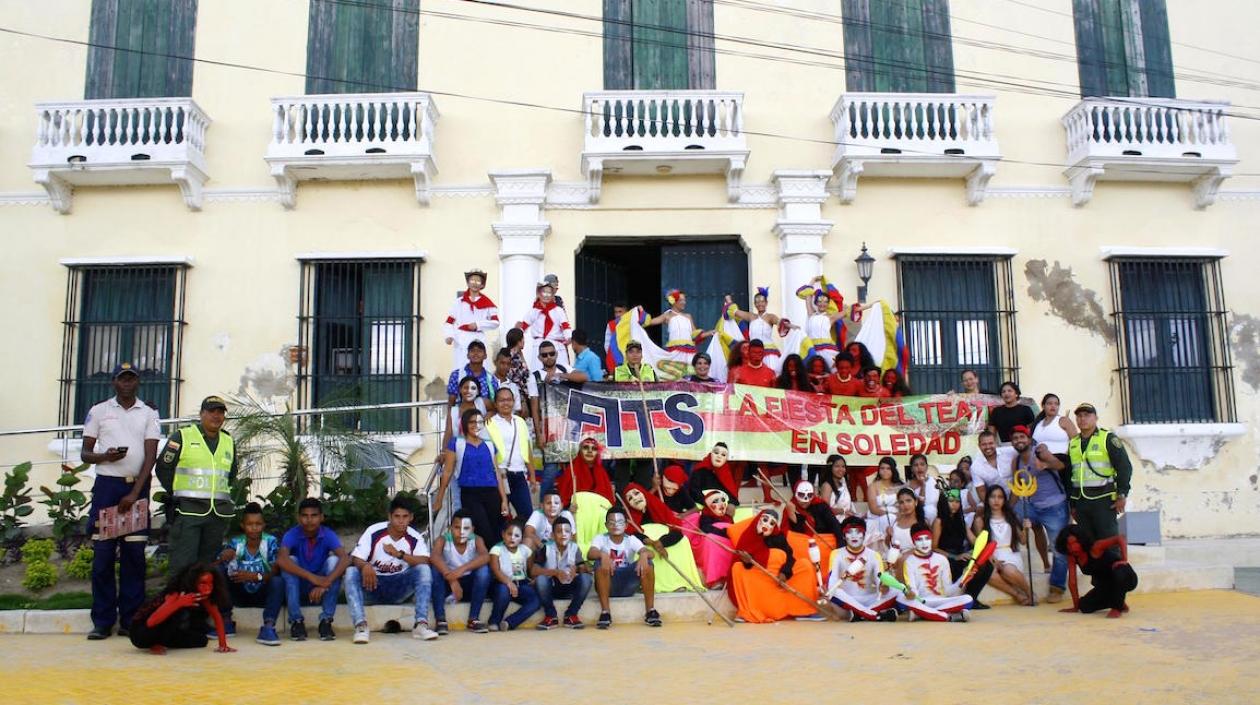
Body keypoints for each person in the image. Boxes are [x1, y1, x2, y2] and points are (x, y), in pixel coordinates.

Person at [81, 362, 161, 641]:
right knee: (102, 558)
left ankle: (130, 619)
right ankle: (102, 621)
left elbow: (150, 457)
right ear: (114, 382)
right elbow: (85, 453)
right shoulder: (100, 411)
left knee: (134, 557)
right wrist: (105, 456)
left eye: (132, 379)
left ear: (137, 383)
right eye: (122, 379)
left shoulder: (149, 413)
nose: (127, 383)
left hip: (135, 487)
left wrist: (134, 493)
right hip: (106, 488)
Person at [155, 395, 237, 578]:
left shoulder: (228, 441)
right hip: (188, 513)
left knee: (207, 569)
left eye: (220, 412)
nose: (216, 416)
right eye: (211, 411)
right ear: (201, 414)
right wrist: (175, 493)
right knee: (183, 567)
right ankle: (180, 604)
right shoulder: (182, 436)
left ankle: (201, 605)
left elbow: (231, 474)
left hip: (217, 515)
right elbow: (163, 467)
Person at [345, 496, 438, 644]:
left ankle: (421, 624)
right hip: (372, 586)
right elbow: (356, 558)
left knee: (423, 570)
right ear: (389, 517)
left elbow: (425, 560)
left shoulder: (413, 537)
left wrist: (399, 554)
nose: (401, 521)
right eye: (397, 516)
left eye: (405, 516)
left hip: (399, 588)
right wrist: (365, 565)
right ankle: (361, 626)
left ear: (411, 518)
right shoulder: (374, 532)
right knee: (351, 572)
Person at [1010, 425, 1069, 603]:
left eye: (1022, 437)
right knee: (1015, 518)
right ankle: (1043, 563)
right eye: (1015, 438)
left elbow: (1060, 465)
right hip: (1032, 505)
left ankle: (1057, 587)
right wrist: (1007, 509)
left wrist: (1045, 464)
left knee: (1059, 548)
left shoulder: (1041, 451)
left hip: (1054, 506)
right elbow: (1016, 488)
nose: (1019, 441)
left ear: (1029, 439)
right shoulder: (1016, 461)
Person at [277, 498, 350, 641]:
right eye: (305, 516)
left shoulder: (327, 534)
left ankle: (326, 621)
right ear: (299, 518)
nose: (309, 520)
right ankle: (296, 621)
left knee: (334, 561)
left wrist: (325, 582)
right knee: (290, 561)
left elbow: (345, 558)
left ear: (321, 517)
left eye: (314, 515)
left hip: (322, 589)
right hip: (300, 587)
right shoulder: (292, 534)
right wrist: (312, 578)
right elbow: (281, 559)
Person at [730, 509, 820, 623]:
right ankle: (748, 611)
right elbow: (741, 562)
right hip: (758, 584)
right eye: (765, 519)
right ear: (758, 519)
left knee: (805, 565)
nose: (767, 524)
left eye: (772, 523)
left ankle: (803, 610)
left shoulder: (778, 537)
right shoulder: (748, 536)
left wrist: (784, 573)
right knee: (737, 567)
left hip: (780, 582)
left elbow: (790, 558)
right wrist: (747, 561)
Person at [433, 409, 509, 543]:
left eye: (479, 422)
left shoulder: (489, 444)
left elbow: (497, 473)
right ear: (465, 424)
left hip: (492, 493)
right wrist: (439, 498)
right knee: (483, 531)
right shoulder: (456, 443)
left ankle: (494, 562)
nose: (476, 425)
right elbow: (448, 472)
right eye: (472, 422)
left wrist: (503, 500)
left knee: (496, 531)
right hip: (471, 494)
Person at [214, 502, 283, 646]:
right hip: (239, 593)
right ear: (242, 525)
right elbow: (217, 568)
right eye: (250, 524)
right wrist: (223, 558)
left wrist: (254, 576)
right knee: (218, 571)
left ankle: (268, 628)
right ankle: (226, 622)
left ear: (263, 525)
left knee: (277, 581)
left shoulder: (270, 542)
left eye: (258, 524)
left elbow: (275, 570)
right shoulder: (235, 542)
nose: (254, 527)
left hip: (262, 593)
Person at [129, 562, 234, 654]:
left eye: (211, 584)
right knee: (173, 616)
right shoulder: (175, 593)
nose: (208, 588)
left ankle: (163, 641)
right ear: (193, 582)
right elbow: (151, 622)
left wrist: (223, 645)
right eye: (203, 583)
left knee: (201, 640)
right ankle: (155, 643)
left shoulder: (205, 596)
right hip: (141, 632)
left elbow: (217, 617)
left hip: (169, 631)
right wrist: (179, 603)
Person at [529, 340, 590, 495]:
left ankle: (568, 500)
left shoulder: (564, 369)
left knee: (573, 466)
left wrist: (561, 375)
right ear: (539, 358)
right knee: (550, 468)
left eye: (551, 353)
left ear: (556, 354)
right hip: (549, 427)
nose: (548, 357)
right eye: (544, 355)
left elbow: (584, 376)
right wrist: (539, 433)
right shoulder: (534, 377)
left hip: (569, 424)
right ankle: (544, 505)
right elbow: (534, 408)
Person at [1068, 402, 1132, 542]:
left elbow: (1124, 467)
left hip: (1103, 499)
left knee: (1108, 542)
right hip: (1081, 501)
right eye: (1079, 416)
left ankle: (1114, 564)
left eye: (1087, 415)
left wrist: (1122, 494)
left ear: (1096, 418)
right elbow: (1072, 474)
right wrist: (1073, 504)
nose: (1082, 419)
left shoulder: (1108, 438)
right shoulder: (1073, 443)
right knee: (1087, 544)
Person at [588, 507, 660, 629]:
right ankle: (605, 613)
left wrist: (643, 554)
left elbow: (650, 553)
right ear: (606, 525)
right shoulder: (601, 539)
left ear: (626, 525)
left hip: (628, 584)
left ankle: (650, 611)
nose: (616, 525)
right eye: (611, 522)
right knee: (599, 564)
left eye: (620, 522)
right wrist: (602, 555)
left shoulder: (631, 539)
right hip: (609, 583)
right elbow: (590, 553)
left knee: (648, 563)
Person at [1031, 393, 1077, 570]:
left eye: (1056, 403)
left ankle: (1067, 539)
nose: (1053, 406)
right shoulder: (1038, 424)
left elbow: (1075, 440)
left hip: (1061, 462)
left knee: (1066, 500)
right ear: (1043, 405)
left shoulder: (1063, 421)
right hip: (1041, 466)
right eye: (1049, 403)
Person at [429, 510, 493, 634]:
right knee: (435, 569)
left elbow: (486, 556)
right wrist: (452, 579)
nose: (461, 532)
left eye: (466, 528)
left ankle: (473, 618)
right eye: (457, 527)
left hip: (469, 585)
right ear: (450, 528)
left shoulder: (477, 540)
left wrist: (460, 571)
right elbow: (434, 557)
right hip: (448, 585)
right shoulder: (442, 540)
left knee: (484, 570)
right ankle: (440, 619)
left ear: (473, 529)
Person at [1057, 525, 1137, 619]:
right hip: (1106, 585)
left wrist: (1124, 559)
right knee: (1084, 606)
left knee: (1118, 571)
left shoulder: (1095, 547)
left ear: (1081, 540)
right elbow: (1072, 582)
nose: (1072, 548)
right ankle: (1117, 600)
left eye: (1075, 543)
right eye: (1068, 545)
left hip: (1126, 577)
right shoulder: (1072, 557)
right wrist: (1075, 607)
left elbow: (1120, 538)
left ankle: (1117, 607)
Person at [826, 516, 897, 622]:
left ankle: (860, 614)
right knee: (834, 592)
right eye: (849, 532)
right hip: (846, 601)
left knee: (897, 590)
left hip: (870, 600)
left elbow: (880, 584)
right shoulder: (836, 554)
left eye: (858, 531)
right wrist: (829, 591)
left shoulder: (874, 555)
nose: (854, 535)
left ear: (864, 535)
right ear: (844, 536)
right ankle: (874, 615)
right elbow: (832, 583)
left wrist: (884, 586)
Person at [898, 523, 973, 622]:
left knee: (968, 599)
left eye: (927, 538)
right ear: (913, 542)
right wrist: (910, 593)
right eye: (919, 540)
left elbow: (948, 591)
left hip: (942, 601)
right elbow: (913, 591)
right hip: (921, 602)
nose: (924, 543)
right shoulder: (909, 562)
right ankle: (950, 616)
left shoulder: (942, 559)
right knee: (900, 598)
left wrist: (963, 579)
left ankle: (922, 614)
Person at [933, 488, 994, 609]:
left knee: (987, 565)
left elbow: (974, 541)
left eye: (957, 501)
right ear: (944, 502)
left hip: (960, 555)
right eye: (950, 501)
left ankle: (972, 598)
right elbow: (933, 548)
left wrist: (984, 553)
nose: (954, 504)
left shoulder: (961, 521)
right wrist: (955, 557)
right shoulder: (938, 521)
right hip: (945, 557)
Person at [973, 485, 1033, 605]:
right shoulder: (980, 520)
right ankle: (1017, 595)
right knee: (988, 574)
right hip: (991, 555)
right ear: (987, 499)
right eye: (993, 497)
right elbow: (980, 545)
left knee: (1008, 570)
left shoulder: (1011, 517)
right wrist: (991, 558)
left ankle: (1030, 593)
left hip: (1010, 554)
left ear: (1004, 500)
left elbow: (1023, 541)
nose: (996, 500)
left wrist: (1026, 529)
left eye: (1000, 497)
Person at [532, 515, 592, 629]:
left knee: (586, 579)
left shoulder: (575, 548)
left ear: (571, 534)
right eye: (559, 531)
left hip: (570, 586)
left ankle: (571, 614)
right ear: (552, 535)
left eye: (567, 531)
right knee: (540, 580)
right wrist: (555, 572)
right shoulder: (546, 548)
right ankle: (551, 616)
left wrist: (577, 569)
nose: (564, 534)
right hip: (552, 587)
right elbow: (534, 570)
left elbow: (583, 567)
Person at [487, 387, 536, 519]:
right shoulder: (489, 423)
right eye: (501, 400)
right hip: (500, 476)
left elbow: (527, 448)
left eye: (508, 400)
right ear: (496, 403)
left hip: (519, 475)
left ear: (514, 402)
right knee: (500, 518)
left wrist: (532, 475)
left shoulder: (520, 421)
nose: (505, 403)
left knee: (527, 516)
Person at [488, 520, 542, 631]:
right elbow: (496, 571)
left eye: (517, 535)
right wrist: (509, 583)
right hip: (502, 583)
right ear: (503, 534)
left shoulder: (525, 550)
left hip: (521, 583)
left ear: (521, 538)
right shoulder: (497, 549)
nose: (512, 538)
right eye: (509, 534)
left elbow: (529, 569)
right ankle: (494, 621)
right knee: (503, 592)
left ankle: (509, 622)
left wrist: (533, 579)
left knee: (536, 600)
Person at [444, 268, 500, 372]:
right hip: (461, 339)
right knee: (461, 369)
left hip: (478, 338)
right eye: (472, 280)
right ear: (468, 282)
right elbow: (449, 322)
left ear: (482, 285)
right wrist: (449, 335)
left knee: (479, 369)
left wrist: (478, 325)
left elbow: (495, 322)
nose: (475, 283)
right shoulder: (458, 302)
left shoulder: (487, 303)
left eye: (478, 281)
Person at [727, 288, 789, 371]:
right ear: (755, 304)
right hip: (753, 352)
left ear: (766, 303)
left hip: (768, 353)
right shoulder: (751, 316)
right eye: (757, 302)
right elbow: (735, 311)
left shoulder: (770, 317)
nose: (760, 304)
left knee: (770, 374)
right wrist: (729, 300)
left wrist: (792, 326)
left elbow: (781, 322)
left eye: (762, 301)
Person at [518, 281, 572, 370]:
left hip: (556, 346)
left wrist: (569, 337)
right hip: (539, 346)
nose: (546, 295)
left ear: (553, 295)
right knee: (539, 373)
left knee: (561, 372)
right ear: (539, 294)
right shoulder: (534, 311)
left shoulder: (558, 310)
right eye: (544, 292)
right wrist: (517, 339)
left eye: (549, 293)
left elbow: (565, 326)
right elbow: (523, 326)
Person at [694, 489, 737, 589]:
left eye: (722, 500)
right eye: (716, 501)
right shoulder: (705, 516)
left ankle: (729, 579)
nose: (721, 504)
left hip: (726, 541)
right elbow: (706, 529)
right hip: (713, 541)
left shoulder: (728, 517)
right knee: (710, 540)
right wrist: (725, 531)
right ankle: (715, 580)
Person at [555, 437, 615, 509]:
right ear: (580, 450)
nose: (590, 451)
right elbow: (563, 498)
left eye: (594, 449)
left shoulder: (602, 472)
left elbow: (608, 500)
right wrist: (569, 507)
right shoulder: (571, 470)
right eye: (586, 447)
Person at [646, 289, 711, 355]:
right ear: (673, 301)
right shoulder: (667, 315)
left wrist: (710, 333)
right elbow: (649, 322)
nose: (684, 302)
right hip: (674, 352)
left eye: (684, 300)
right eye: (681, 300)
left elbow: (695, 335)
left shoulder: (688, 317)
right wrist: (639, 313)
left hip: (689, 351)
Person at [785, 480, 845, 548]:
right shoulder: (791, 507)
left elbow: (834, 523)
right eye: (801, 495)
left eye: (810, 495)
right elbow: (795, 535)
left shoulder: (821, 505)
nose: (805, 501)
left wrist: (840, 541)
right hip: (803, 545)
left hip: (825, 542)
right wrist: (792, 515)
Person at [688, 442, 744, 507]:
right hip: (702, 508)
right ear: (711, 454)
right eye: (716, 453)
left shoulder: (726, 473)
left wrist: (728, 503)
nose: (719, 456)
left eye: (723, 454)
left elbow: (732, 496)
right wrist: (710, 503)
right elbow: (694, 492)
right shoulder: (700, 470)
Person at [865, 456, 903, 547]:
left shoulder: (900, 486)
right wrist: (890, 513)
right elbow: (873, 508)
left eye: (888, 468)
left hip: (897, 516)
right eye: (882, 468)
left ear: (893, 470)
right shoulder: (873, 486)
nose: (885, 471)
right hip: (877, 516)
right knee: (888, 518)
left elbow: (903, 505)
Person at [443, 375, 490, 447]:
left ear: (478, 391)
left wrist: (488, 415)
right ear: (460, 390)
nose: (469, 391)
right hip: (461, 449)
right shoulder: (453, 412)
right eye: (465, 388)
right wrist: (444, 452)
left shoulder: (482, 402)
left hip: (482, 447)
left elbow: (496, 409)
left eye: (473, 388)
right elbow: (448, 434)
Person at [446, 340, 495, 405]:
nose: (476, 353)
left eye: (479, 351)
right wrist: (450, 413)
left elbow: (494, 401)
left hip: (485, 414)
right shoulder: (457, 375)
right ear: (468, 355)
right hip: (462, 413)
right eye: (472, 351)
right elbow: (452, 400)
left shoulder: (491, 378)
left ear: (485, 356)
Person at [887, 487, 926, 568]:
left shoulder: (921, 523)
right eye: (901, 502)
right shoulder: (896, 520)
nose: (905, 505)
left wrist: (903, 557)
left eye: (908, 501)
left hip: (913, 563)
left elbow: (925, 547)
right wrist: (888, 535)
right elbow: (888, 544)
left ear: (915, 502)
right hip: (894, 561)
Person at [969, 430, 1015, 497]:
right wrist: (990, 506)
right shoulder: (975, 467)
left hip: (1019, 496)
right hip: (996, 501)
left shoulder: (1010, 452)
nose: (988, 447)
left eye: (991, 443)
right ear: (979, 446)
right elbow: (981, 491)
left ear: (996, 443)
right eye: (984, 444)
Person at [906, 454, 940, 525]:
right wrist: (922, 486)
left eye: (922, 464)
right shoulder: (909, 485)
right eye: (916, 465)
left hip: (936, 519)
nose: (919, 467)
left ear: (927, 467)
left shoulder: (933, 481)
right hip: (919, 519)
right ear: (912, 469)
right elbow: (920, 505)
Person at [490, 349, 525, 418]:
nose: (505, 367)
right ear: (495, 362)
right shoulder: (488, 382)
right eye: (502, 363)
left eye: (508, 364)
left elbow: (517, 410)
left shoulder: (513, 386)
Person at [505, 327, 532, 408]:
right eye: (523, 339)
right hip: (518, 396)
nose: (524, 341)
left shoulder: (516, 354)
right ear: (519, 341)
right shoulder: (514, 357)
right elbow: (519, 378)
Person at [603, 303, 629, 372]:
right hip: (614, 359)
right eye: (616, 312)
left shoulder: (631, 323)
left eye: (620, 312)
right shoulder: (611, 324)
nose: (617, 315)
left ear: (626, 312)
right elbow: (607, 344)